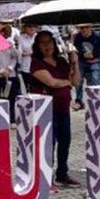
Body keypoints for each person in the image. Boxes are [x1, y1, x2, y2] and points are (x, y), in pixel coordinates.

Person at [29, 30, 82, 190]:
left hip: (63, 109)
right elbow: (52, 82)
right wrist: (67, 81)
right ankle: (45, 178)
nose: (47, 46)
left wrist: (74, 63)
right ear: (38, 46)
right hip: (45, 111)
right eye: (43, 43)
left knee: (65, 142)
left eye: (49, 42)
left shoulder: (61, 61)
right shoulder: (36, 64)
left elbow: (76, 81)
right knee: (48, 145)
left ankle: (62, 174)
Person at [72, 24, 100, 110]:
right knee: (78, 80)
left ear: (91, 27)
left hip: (95, 61)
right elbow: (76, 49)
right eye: (82, 28)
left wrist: (97, 58)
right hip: (82, 61)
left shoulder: (97, 36)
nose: (84, 30)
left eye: (86, 27)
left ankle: (95, 100)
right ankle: (78, 101)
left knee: (95, 78)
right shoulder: (78, 37)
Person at [18, 23, 38, 91]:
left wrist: (29, 53)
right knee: (28, 87)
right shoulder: (21, 37)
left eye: (34, 26)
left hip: (38, 65)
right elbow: (19, 52)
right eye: (29, 26)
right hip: (26, 66)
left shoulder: (38, 37)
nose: (32, 28)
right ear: (25, 28)